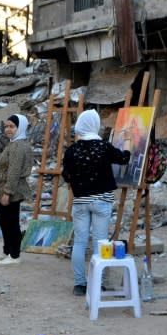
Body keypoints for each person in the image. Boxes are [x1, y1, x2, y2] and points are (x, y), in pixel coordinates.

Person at [62, 109, 131, 296]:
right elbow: (124, 158)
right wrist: (128, 140)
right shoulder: (104, 147)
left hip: (81, 201)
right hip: (102, 201)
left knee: (80, 242)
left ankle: (79, 284)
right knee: (100, 243)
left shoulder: (72, 150)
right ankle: (97, 282)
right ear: (96, 125)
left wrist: (79, 182)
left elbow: (66, 175)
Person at [0, 114, 33, 266]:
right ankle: (7, 250)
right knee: (4, 220)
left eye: (12, 126)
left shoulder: (18, 146)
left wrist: (7, 193)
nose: (8, 129)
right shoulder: (13, 143)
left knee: (11, 222)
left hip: (12, 190)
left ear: (20, 127)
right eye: (6, 126)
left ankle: (14, 255)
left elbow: (14, 171)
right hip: (7, 188)